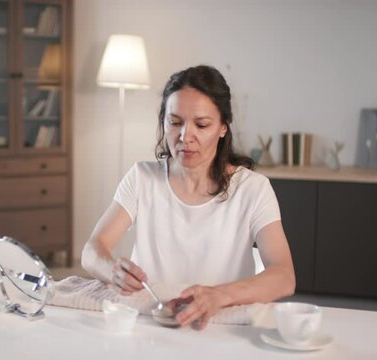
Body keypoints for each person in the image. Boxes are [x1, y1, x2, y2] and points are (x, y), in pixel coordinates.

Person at [81, 65, 295, 329]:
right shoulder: (141, 178)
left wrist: (220, 295)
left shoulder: (253, 188)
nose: (185, 136)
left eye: (201, 124)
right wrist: (112, 271)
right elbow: (92, 251)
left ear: (223, 128)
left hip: (221, 325)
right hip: (151, 322)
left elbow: (284, 276)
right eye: (175, 122)